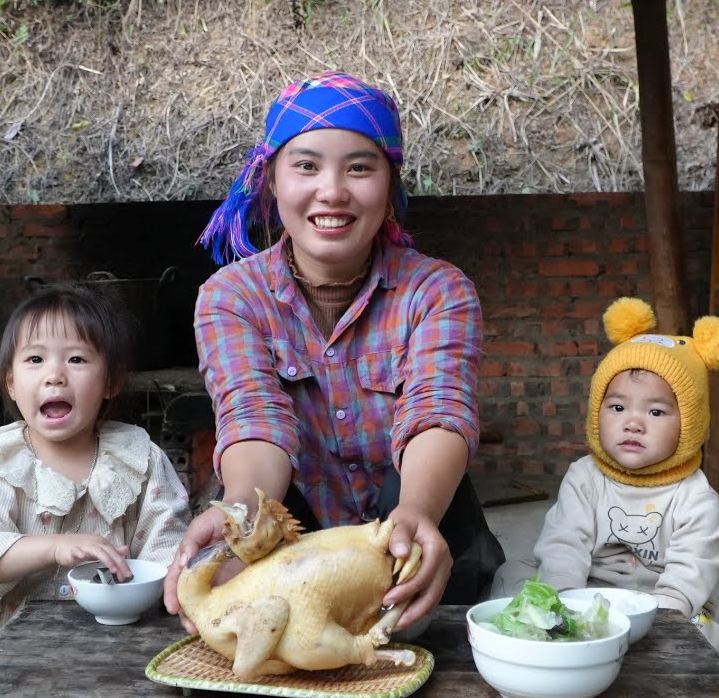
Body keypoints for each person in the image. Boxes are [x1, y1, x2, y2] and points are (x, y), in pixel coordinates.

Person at [163, 71, 504, 633]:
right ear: (270, 180)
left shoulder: (438, 291)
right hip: (294, 558)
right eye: (306, 165)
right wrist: (241, 515)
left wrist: (416, 513)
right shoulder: (230, 297)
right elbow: (254, 418)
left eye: (360, 167)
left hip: (424, 539)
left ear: (390, 185)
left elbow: (437, 409)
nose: (333, 191)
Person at [0, 283, 191, 656]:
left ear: (111, 381)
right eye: (35, 359)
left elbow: (169, 546)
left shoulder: (140, 461)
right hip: (7, 645)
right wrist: (54, 547)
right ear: (11, 383)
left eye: (77, 359)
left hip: (120, 637)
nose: (54, 375)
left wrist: (172, 578)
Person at [493, 297, 719, 659]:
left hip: (655, 601)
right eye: (618, 407)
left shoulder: (695, 496)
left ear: (689, 424)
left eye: (656, 412)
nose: (633, 423)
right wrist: (564, 606)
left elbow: (691, 572)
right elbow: (565, 543)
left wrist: (657, 617)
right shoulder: (585, 477)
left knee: (707, 641)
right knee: (509, 576)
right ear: (597, 412)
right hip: (584, 590)